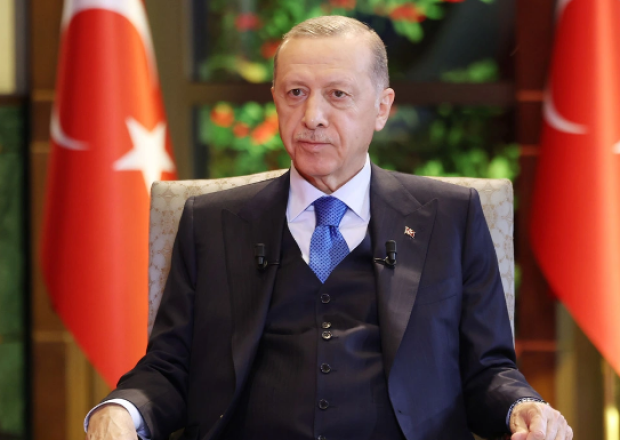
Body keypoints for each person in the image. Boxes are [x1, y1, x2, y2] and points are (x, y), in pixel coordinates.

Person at [86, 15, 572, 440]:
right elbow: (170, 366)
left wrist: (523, 407)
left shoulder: (451, 217)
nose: (312, 116)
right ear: (275, 100)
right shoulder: (211, 223)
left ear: (382, 108)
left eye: (338, 95)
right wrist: (119, 410)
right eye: (295, 93)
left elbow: (488, 369)